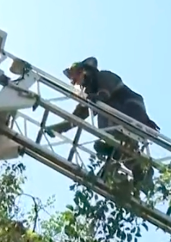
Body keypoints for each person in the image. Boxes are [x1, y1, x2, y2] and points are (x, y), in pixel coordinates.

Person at [44, 57, 159, 187]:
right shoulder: (91, 93)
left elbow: (105, 94)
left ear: (85, 70)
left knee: (104, 116)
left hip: (131, 108)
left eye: (74, 75)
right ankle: (140, 173)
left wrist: (95, 98)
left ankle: (120, 151)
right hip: (121, 116)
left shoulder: (103, 76)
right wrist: (59, 128)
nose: (72, 81)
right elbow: (77, 117)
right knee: (115, 148)